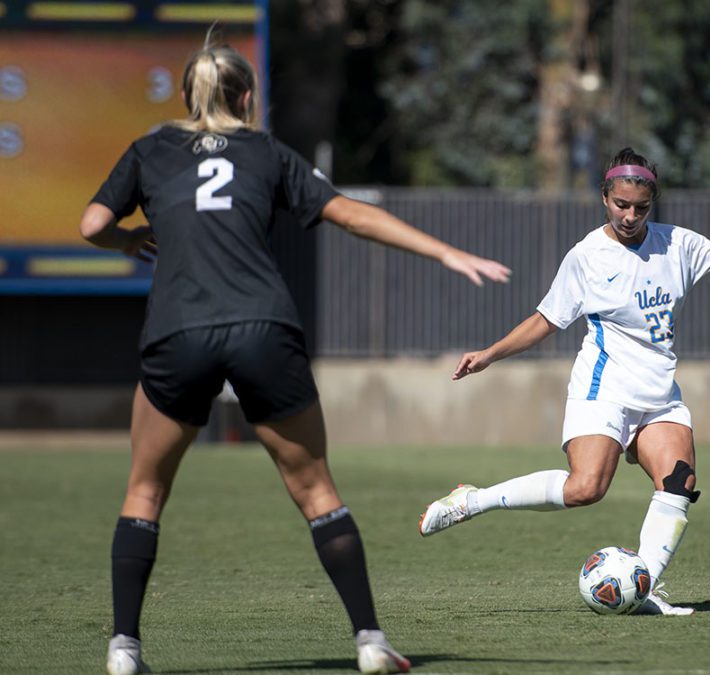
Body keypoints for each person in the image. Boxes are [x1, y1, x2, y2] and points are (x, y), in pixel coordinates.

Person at [82, 39, 510, 675]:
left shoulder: (150, 150)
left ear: (185, 97)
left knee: (145, 491)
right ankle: (369, 641)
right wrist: (446, 253)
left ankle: (124, 651)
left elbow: (91, 224)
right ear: (248, 99)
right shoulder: (265, 152)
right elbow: (352, 216)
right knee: (315, 489)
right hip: (262, 327)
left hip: (180, 330)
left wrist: (125, 240)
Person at [419, 147, 710, 615]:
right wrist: (490, 355)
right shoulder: (586, 256)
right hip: (605, 390)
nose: (630, 216)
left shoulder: (679, 244)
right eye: (621, 205)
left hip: (659, 397)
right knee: (586, 489)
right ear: (604, 198)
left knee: (678, 481)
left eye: (641, 208)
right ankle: (474, 500)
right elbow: (546, 320)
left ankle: (643, 586)